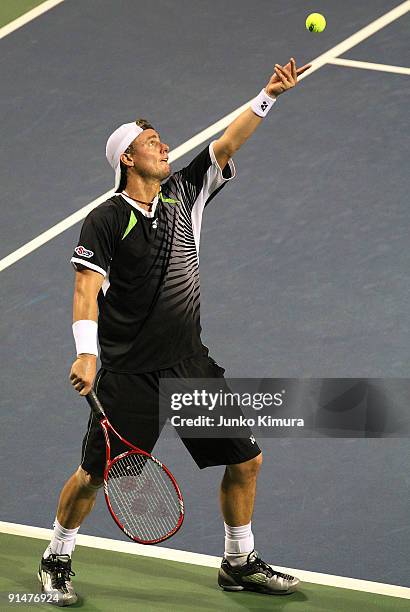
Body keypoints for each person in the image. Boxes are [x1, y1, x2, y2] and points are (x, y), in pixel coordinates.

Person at [38, 58, 311, 605]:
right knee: (94, 476)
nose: (164, 148)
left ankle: (238, 561)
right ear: (127, 158)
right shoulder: (107, 219)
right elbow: (85, 291)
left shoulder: (185, 194)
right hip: (130, 375)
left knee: (246, 459)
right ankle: (57, 555)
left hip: (188, 363)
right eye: (153, 142)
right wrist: (86, 354)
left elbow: (226, 145)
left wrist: (269, 95)